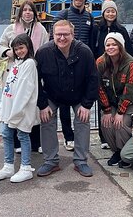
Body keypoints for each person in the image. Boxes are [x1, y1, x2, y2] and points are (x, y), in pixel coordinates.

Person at [35, 20, 98, 178]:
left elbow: (93, 79)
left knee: (82, 119)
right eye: (58, 34)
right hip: (53, 94)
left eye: (66, 34)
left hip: (78, 95)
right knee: (46, 119)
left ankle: (81, 160)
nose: (62, 38)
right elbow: (35, 81)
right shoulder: (43, 52)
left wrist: (86, 105)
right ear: (52, 35)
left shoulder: (85, 52)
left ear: (73, 35)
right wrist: (42, 105)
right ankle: (50, 161)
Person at [0, 0, 49, 154]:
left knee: (34, 106)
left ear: (34, 13)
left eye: (30, 10)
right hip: (15, 72)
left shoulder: (41, 30)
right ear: (20, 13)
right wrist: (8, 52)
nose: (27, 13)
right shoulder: (11, 29)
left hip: (34, 72)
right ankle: (17, 142)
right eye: (24, 10)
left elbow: (45, 49)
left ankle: (35, 142)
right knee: (15, 105)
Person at [53, 0, 98, 151]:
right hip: (65, 60)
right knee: (64, 101)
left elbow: (92, 39)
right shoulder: (63, 14)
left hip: (83, 61)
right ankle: (68, 136)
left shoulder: (89, 17)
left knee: (81, 98)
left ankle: (80, 136)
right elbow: (55, 36)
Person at [0, 34, 40, 183]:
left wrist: (16, 111)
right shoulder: (16, 64)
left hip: (21, 108)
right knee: (6, 134)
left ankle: (25, 167)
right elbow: (9, 86)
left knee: (23, 135)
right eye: (16, 49)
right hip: (10, 107)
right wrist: (2, 108)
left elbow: (25, 89)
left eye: (22, 48)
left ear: (28, 47)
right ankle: (8, 165)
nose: (19, 51)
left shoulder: (30, 64)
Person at [97, 33, 133, 166]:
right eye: (108, 45)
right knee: (106, 122)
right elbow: (98, 86)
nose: (111, 47)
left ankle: (125, 153)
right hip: (111, 102)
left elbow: (130, 89)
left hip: (129, 101)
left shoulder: (131, 63)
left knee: (120, 124)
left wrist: (120, 113)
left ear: (121, 46)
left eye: (114, 44)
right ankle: (116, 151)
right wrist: (107, 110)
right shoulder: (100, 62)